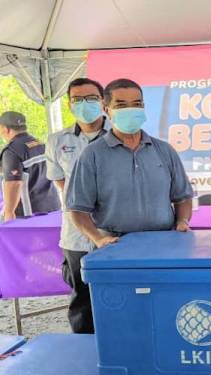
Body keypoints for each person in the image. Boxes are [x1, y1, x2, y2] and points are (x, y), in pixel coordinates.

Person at [66, 78, 193, 249]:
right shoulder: (92, 154)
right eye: (121, 105)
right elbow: (78, 210)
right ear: (106, 110)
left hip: (164, 243)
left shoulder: (164, 150)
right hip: (114, 246)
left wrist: (182, 221)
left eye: (136, 104)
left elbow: (183, 197)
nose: (130, 110)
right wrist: (97, 239)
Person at [45, 78, 109, 333]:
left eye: (91, 98)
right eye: (78, 99)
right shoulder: (56, 141)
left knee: (123, 292)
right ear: (69, 104)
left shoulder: (121, 135)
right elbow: (61, 182)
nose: (85, 104)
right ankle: (84, 352)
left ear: (103, 101)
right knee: (82, 298)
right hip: (76, 235)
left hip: (116, 230)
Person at [0, 111, 60, 221]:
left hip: (29, 213)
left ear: (5, 129)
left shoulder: (12, 151)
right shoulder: (41, 144)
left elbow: (14, 183)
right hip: (52, 207)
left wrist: (9, 212)